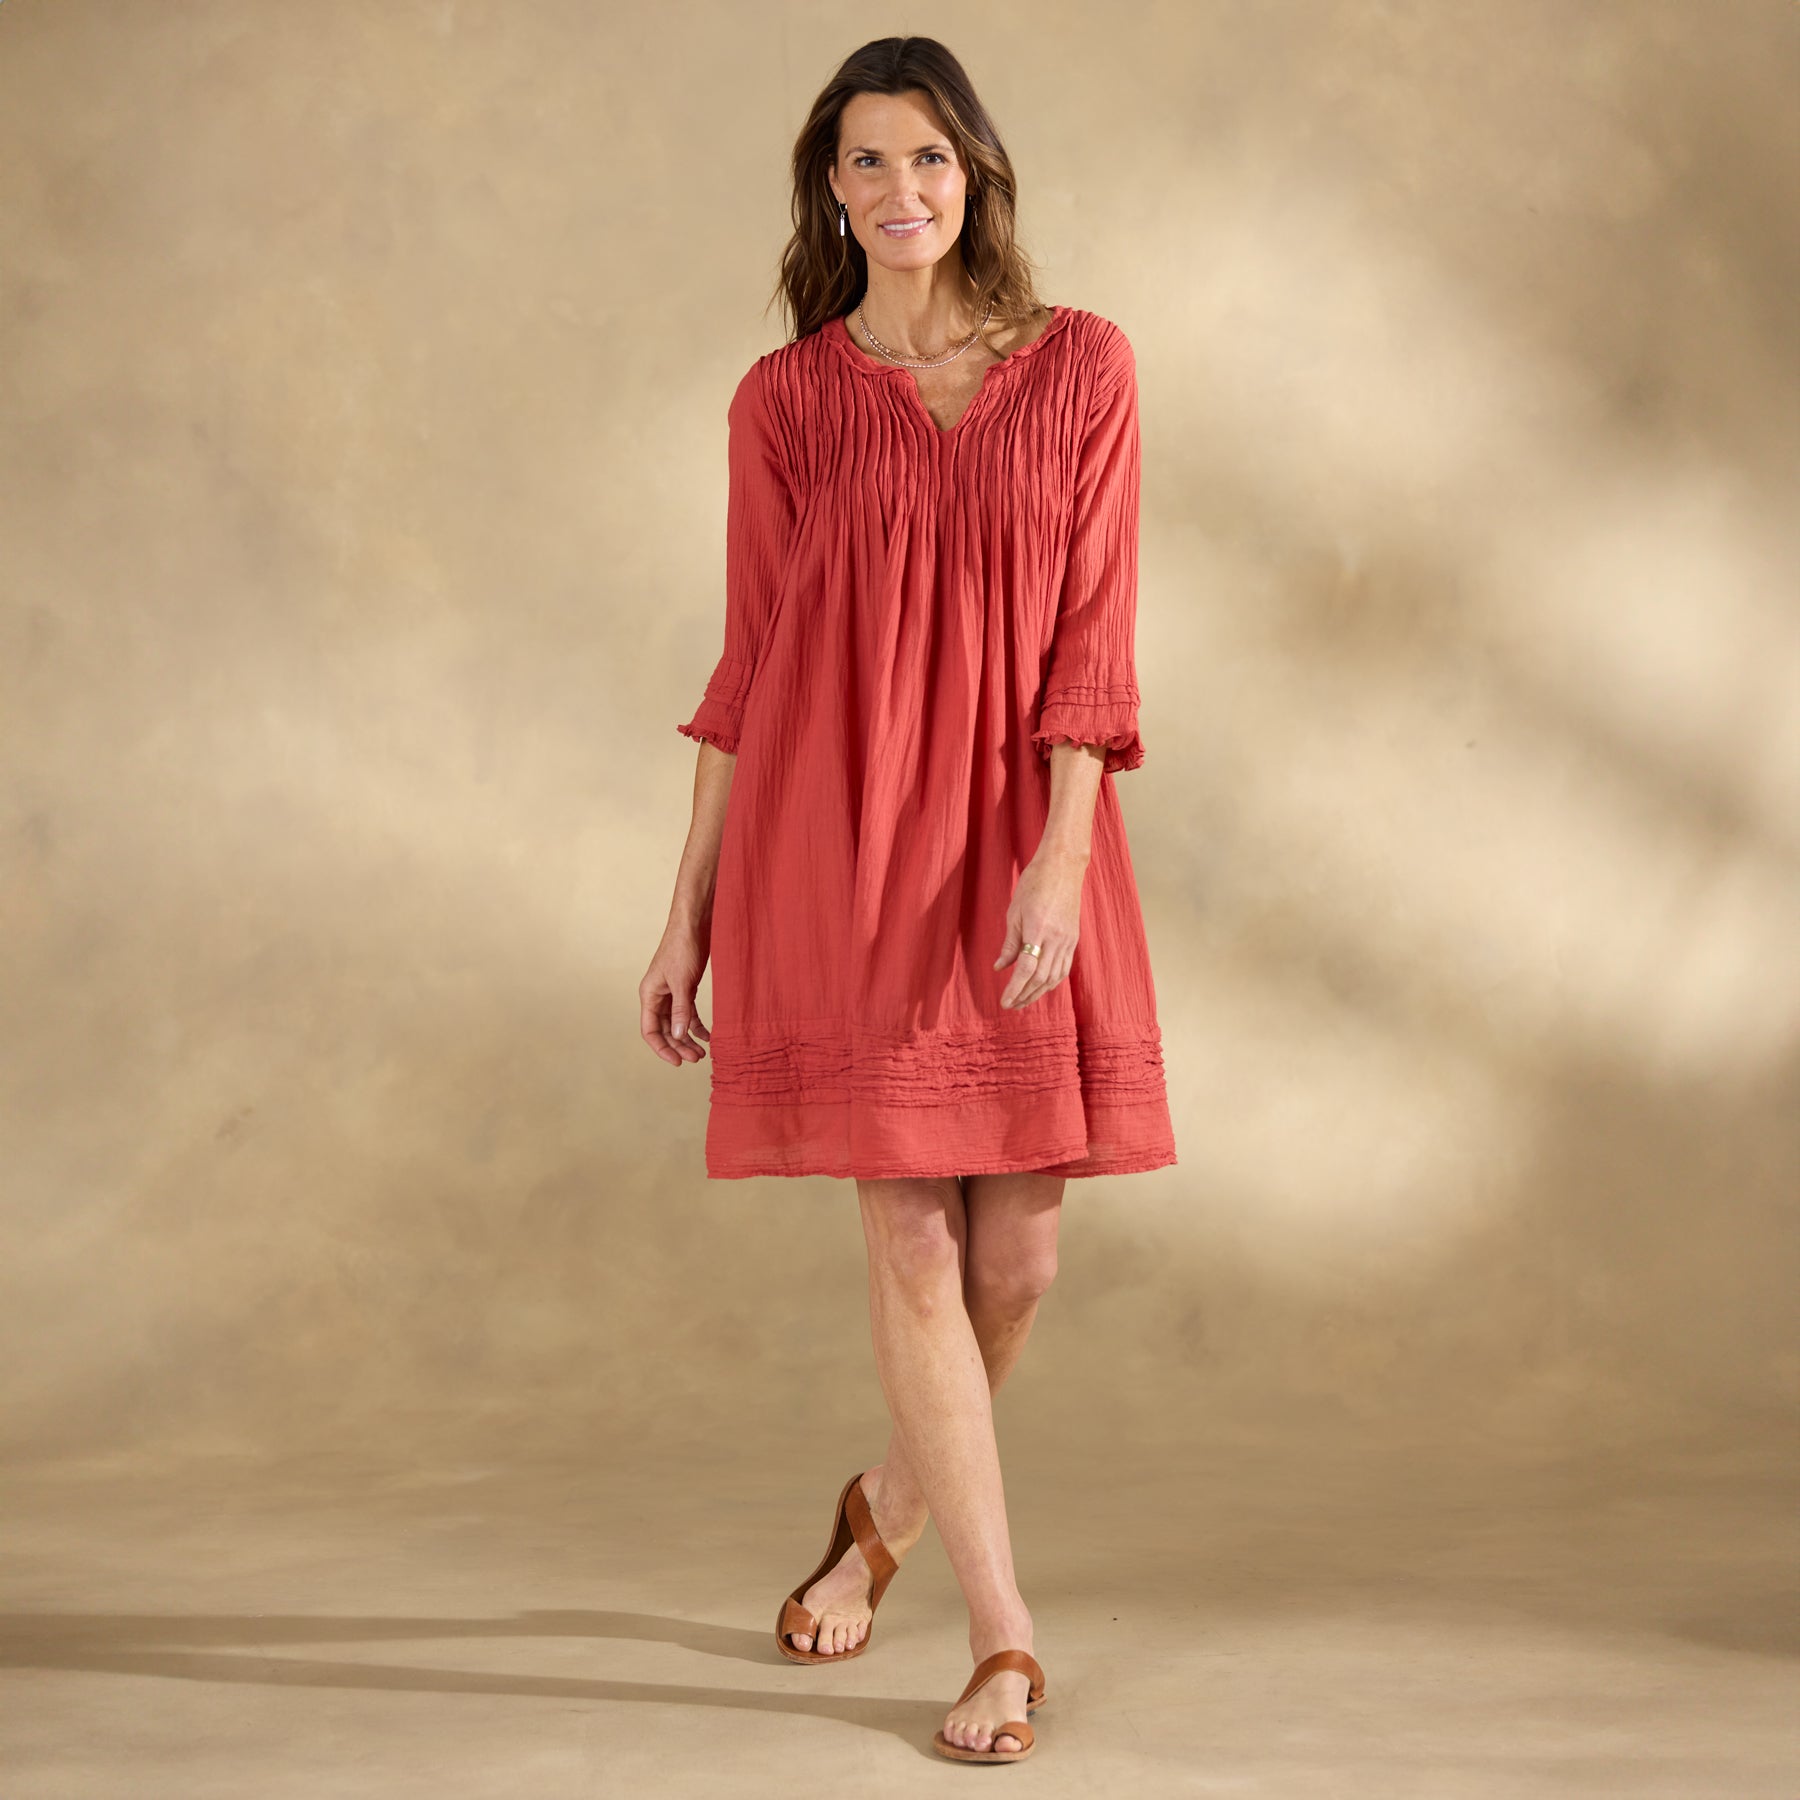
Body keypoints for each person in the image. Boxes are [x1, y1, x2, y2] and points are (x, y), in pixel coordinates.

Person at [639, 35, 1176, 1766]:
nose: (899, 191)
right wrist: (687, 909)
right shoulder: (785, 403)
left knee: (1020, 1254)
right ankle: (1006, 1642)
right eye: (865, 162)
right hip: (840, 847)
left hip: (1022, 834)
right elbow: (750, 664)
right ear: (830, 191)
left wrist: (1065, 848)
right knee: (915, 1238)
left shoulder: (1083, 367)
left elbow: (1095, 633)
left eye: (928, 157)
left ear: (977, 174)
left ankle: (882, 1508)